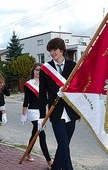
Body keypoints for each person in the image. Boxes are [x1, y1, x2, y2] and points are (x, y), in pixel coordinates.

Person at [38, 37, 80, 170]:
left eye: (55, 49)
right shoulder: (46, 69)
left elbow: (79, 89)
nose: (52, 52)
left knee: (64, 144)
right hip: (55, 112)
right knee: (63, 144)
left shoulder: (73, 66)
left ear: (62, 50)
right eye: (50, 50)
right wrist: (41, 116)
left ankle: (55, 167)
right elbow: (42, 93)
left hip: (71, 112)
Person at [21, 63, 52, 168]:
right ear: (33, 71)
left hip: (42, 113)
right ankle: (49, 161)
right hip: (33, 112)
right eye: (37, 70)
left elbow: (47, 100)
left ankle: (28, 152)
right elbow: (26, 101)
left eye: (40, 70)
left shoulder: (45, 84)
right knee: (41, 134)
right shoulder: (29, 84)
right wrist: (23, 114)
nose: (38, 72)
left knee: (35, 132)